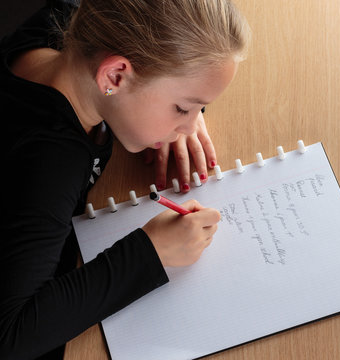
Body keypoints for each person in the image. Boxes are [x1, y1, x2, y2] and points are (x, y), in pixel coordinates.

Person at [0, 0, 250, 358]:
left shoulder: (82, 26)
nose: (192, 126)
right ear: (114, 76)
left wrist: (182, 111)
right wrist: (150, 252)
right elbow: (12, 334)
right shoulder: (50, 161)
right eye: (182, 108)